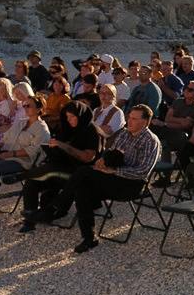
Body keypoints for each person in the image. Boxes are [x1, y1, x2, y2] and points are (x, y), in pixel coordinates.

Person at [45, 104, 162, 254]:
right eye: (129, 117)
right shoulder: (126, 134)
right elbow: (112, 152)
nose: (129, 121)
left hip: (131, 184)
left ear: (144, 123)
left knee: (82, 172)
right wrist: (104, 161)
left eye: (134, 119)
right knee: (82, 190)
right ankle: (89, 239)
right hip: (114, 178)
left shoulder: (151, 141)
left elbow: (143, 171)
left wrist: (114, 170)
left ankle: (56, 206)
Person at [19, 100, 102, 231]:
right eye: (67, 117)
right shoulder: (67, 128)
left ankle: (21, 176)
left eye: (72, 117)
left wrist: (64, 146)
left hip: (81, 174)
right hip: (63, 168)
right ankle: (30, 220)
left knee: (51, 170)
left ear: (80, 115)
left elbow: (88, 158)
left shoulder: (92, 131)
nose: (69, 120)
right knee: (33, 181)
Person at [0, 93, 50, 214]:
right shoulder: (20, 122)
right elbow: (5, 137)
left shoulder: (42, 129)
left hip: (21, 161)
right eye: (25, 105)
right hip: (4, 153)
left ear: (39, 109)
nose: (26, 108)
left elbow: (33, 151)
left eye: (29, 106)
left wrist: (10, 155)